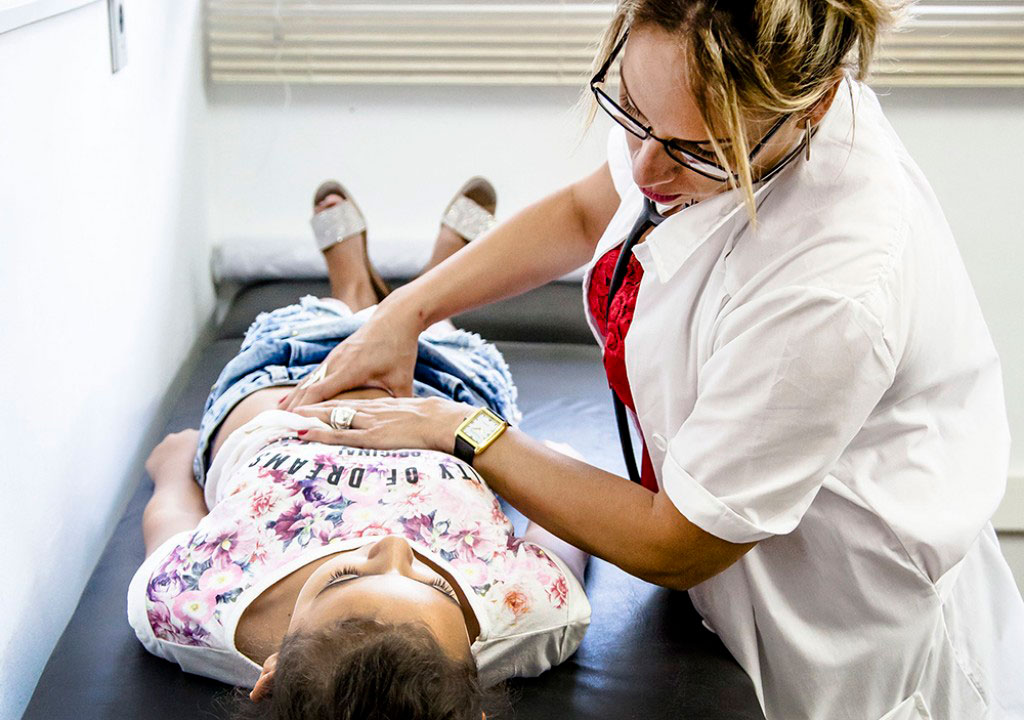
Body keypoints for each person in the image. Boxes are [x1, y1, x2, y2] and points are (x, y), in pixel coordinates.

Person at [276, 3, 1024, 719]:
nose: (643, 169)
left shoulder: (835, 286)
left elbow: (678, 543)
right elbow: (580, 212)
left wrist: (460, 429)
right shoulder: (682, 95)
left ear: (815, 107)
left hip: (833, 634)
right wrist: (405, 311)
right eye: (630, 110)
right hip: (721, 545)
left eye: (698, 152)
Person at [127, 178, 591, 720]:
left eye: (346, 577)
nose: (393, 548)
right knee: (440, 336)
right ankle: (434, 292)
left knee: (322, 316)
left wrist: (172, 474)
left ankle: (349, 286)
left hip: (289, 380)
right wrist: (552, 459)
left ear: (273, 670)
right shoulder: (533, 614)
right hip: (439, 390)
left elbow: (173, 528)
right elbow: (564, 520)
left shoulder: (184, 609)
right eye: (433, 584)